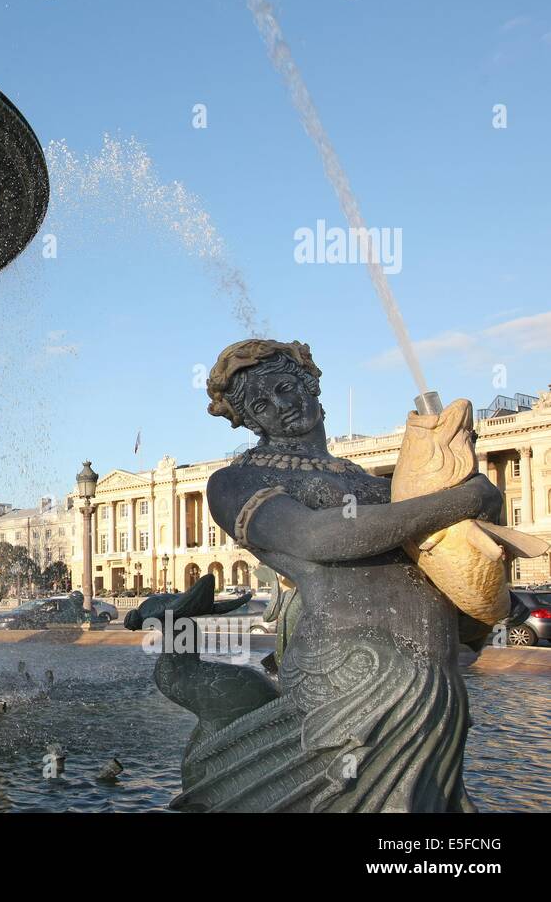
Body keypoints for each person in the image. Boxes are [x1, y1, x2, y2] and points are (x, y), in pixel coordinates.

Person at [169, 338, 502, 811]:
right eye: (261, 404)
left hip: (432, 679)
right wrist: (464, 499)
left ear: (311, 384)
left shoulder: (367, 477)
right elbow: (314, 537)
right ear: (247, 420)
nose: (281, 406)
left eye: (287, 387)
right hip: (356, 671)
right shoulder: (237, 480)